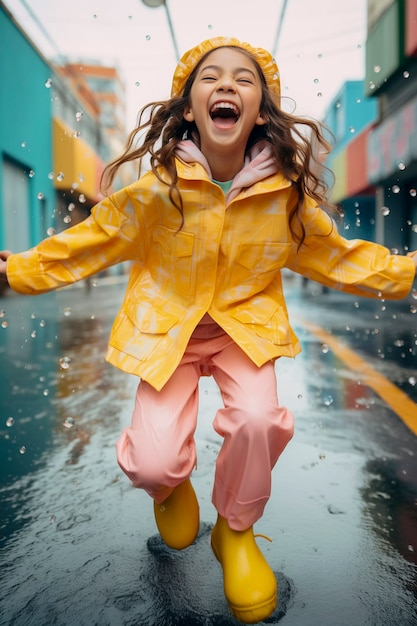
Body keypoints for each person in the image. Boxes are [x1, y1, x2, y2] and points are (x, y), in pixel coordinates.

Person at [0, 36, 416, 623]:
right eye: (210, 78)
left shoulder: (286, 201)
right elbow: (86, 244)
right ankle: (169, 487)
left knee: (256, 422)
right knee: (151, 463)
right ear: (189, 107)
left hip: (243, 333)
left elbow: (342, 258)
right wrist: (16, 270)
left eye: (244, 79)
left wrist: (407, 274)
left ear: (261, 109)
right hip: (166, 332)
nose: (227, 86)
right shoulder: (154, 194)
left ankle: (237, 533)